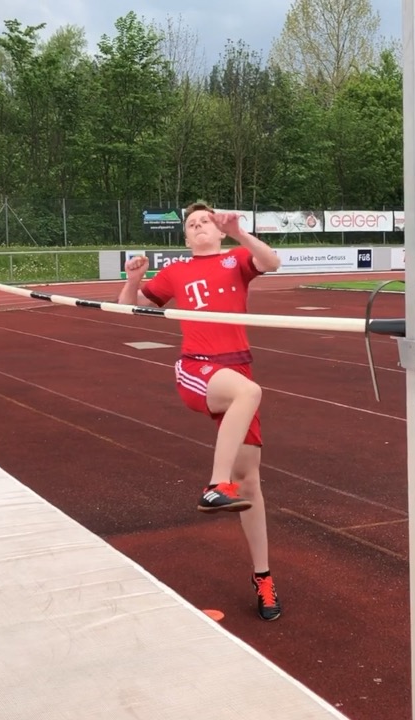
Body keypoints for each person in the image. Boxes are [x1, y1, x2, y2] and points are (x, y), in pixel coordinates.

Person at [118, 202, 284, 621]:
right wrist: (134, 280)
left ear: (219, 230)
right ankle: (214, 483)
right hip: (199, 370)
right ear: (186, 238)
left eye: (204, 222)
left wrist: (241, 233)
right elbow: (129, 307)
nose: (197, 228)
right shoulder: (176, 271)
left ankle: (263, 577)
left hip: (237, 366)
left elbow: (273, 262)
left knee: (251, 484)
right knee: (250, 393)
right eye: (191, 225)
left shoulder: (237, 258)